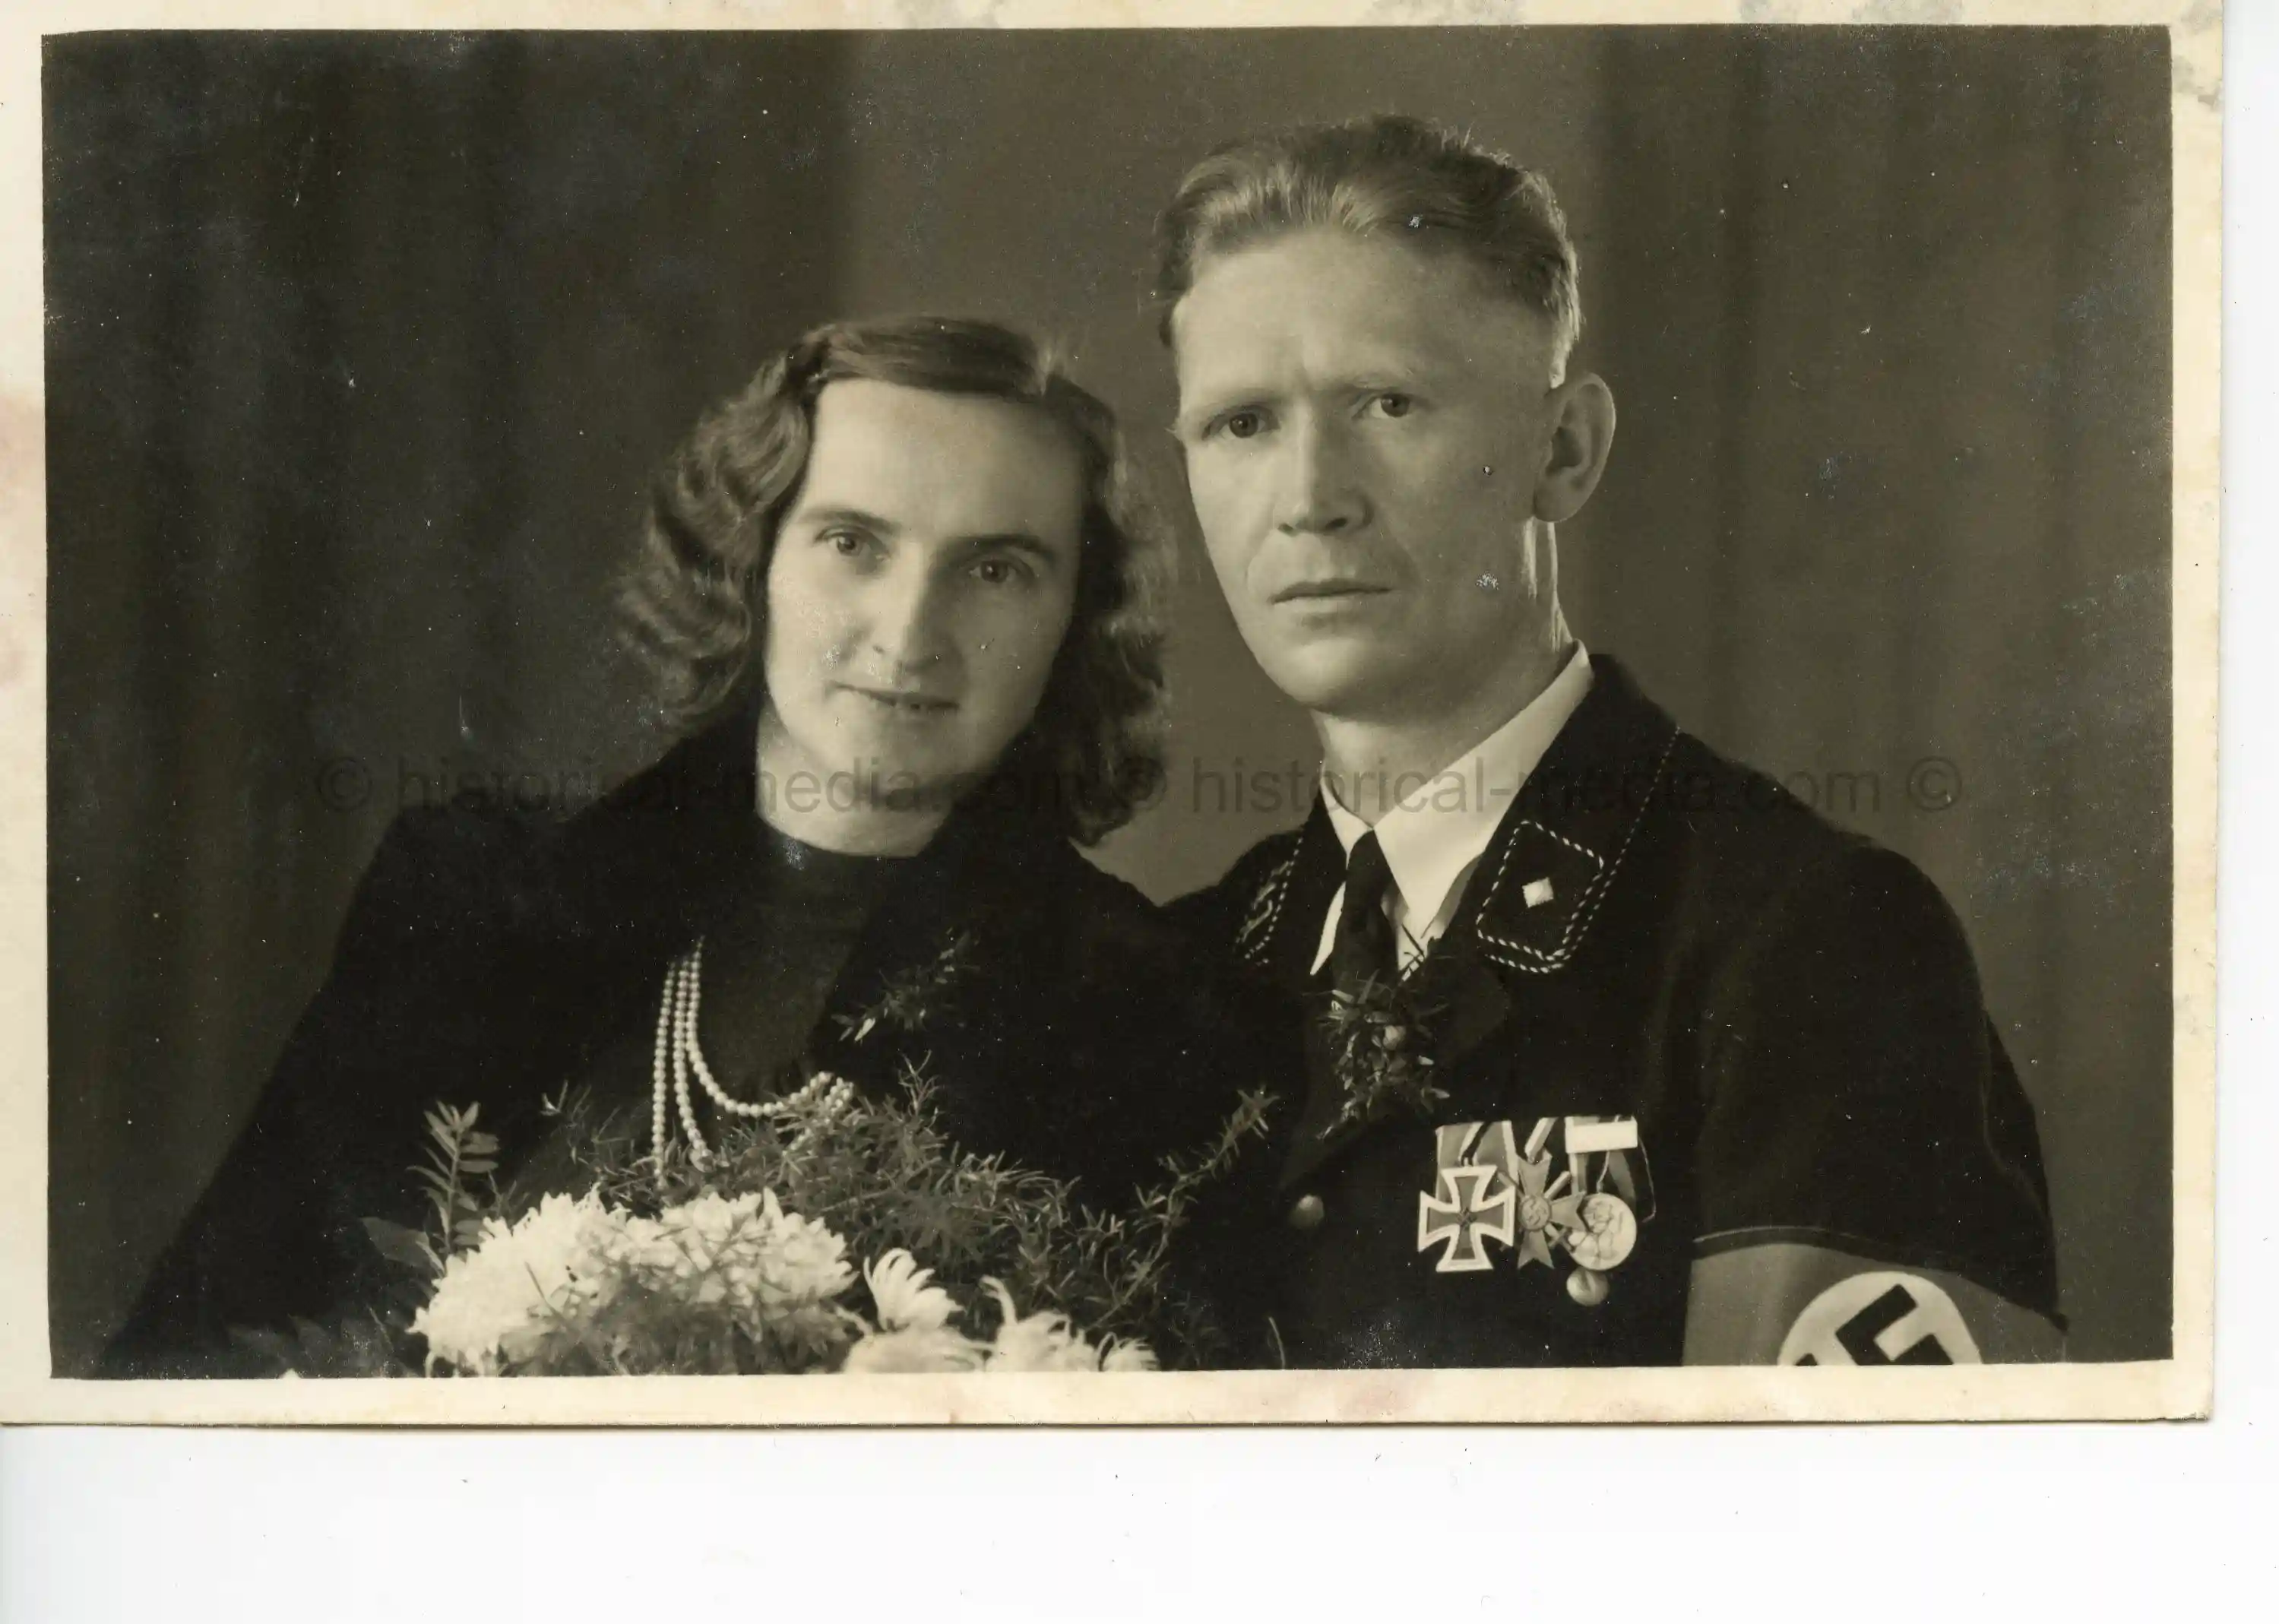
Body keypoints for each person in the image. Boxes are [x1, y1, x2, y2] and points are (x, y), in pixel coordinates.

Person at [103, 315, 1285, 1377]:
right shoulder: (472, 905)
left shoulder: (1148, 1012)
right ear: (751, 563)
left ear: (1075, 621)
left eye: (994, 569)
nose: (909, 631)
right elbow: (194, 1364)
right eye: (852, 543)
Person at [1157, 115, 2064, 1368]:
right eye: (1242, 423)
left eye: (1387, 402)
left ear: (1564, 449)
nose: (1309, 498)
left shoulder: (1801, 942)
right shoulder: (1180, 971)